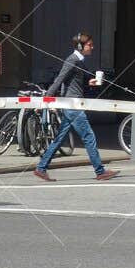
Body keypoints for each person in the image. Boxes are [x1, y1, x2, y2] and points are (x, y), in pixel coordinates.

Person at [32, 32, 117, 182]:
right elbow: (59, 80)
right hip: (73, 106)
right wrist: (44, 101)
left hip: (72, 104)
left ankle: (41, 168)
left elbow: (74, 81)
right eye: (90, 45)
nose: (92, 47)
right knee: (89, 136)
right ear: (80, 46)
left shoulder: (79, 60)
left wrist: (88, 82)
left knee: (59, 138)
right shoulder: (72, 60)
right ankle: (100, 171)